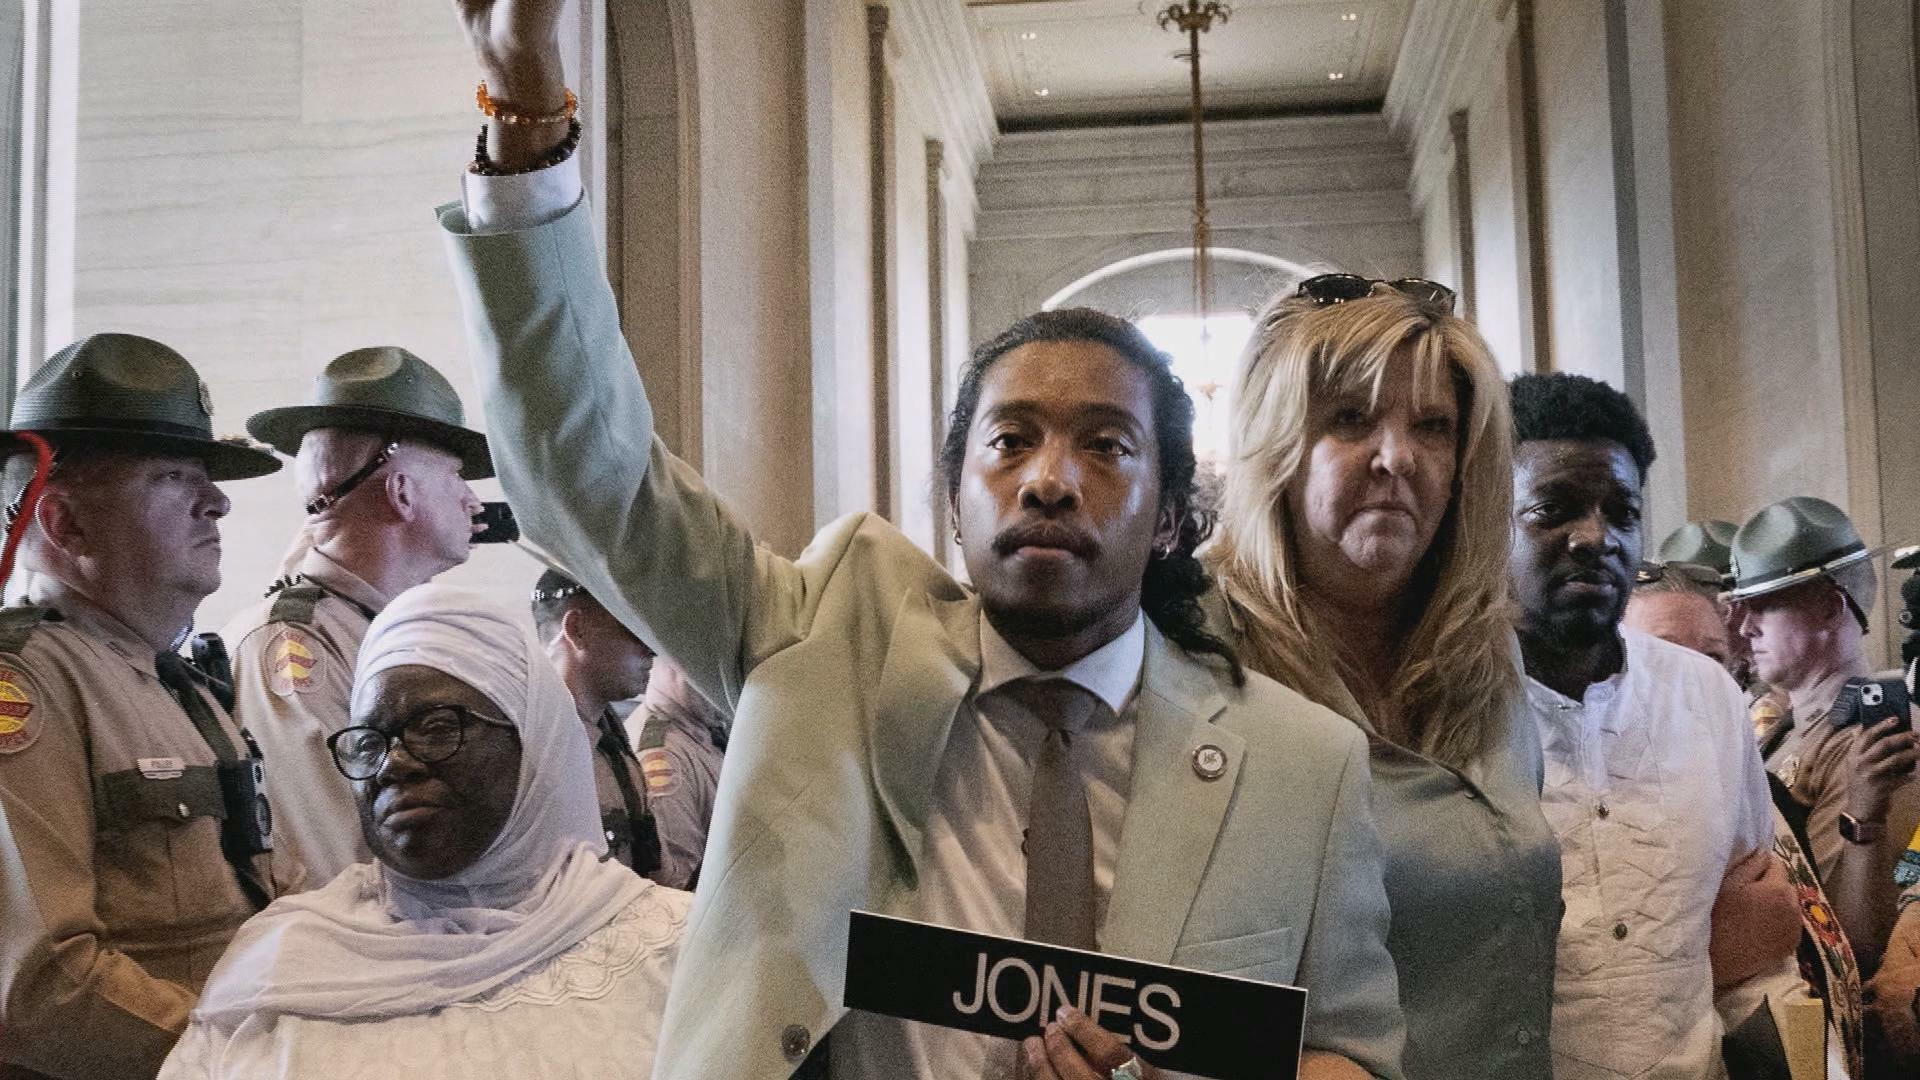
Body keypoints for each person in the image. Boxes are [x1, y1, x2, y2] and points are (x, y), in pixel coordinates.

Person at [437, 6, 1406, 1078]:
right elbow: (592, 476)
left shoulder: (1302, 766)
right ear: (954, 495)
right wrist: (524, 106)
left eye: (1105, 446)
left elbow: (1352, 1051)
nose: (1048, 478)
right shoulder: (824, 651)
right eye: (1010, 441)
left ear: (1173, 515)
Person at [1205, 276, 1559, 1079]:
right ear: (1276, 448)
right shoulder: (1193, 655)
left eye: (1432, 427)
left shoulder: (1487, 655)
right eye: (1350, 419)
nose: (1397, 457)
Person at [157, 584, 688, 1079]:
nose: (393, 764)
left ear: (535, 746)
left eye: (436, 728)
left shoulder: (670, 952)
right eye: (369, 743)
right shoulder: (279, 964)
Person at [0, 334, 304, 1080]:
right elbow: (40, 987)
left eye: (208, 478)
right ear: (65, 524)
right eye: (173, 476)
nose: (218, 502)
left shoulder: (182, 683)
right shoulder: (25, 682)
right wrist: (250, 1061)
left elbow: (265, 896)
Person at [1507, 372, 1801, 1080]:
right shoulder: (1436, 708)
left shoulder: (1705, 696)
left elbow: (1755, 955)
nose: (1595, 537)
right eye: (1553, 509)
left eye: (1622, 511)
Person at [221, 347, 489, 882]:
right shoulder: (294, 642)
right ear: (402, 492)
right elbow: (332, 869)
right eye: (456, 477)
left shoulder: (386, 630)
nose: (473, 502)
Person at [1626, 564, 1866, 1078]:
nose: (1694, 679)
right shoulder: (1568, 801)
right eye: (1662, 656)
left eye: (1712, 659)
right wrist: (1713, 959)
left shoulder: (1761, 790)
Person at [1731, 496, 1920, 977]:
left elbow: (1856, 941)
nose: (1746, 628)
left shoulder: (1875, 736)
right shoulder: (1787, 727)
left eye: (1765, 607)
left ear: (1831, 609)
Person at [530, 568, 662, 874]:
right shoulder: (532, 753)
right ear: (577, 630)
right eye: (633, 628)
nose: (651, 650)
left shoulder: (611, 741)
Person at [632, 652, 727, 890]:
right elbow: (679, 885)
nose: (719, 683)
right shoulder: (663, 755)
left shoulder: (699, 728)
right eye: (704, 668)